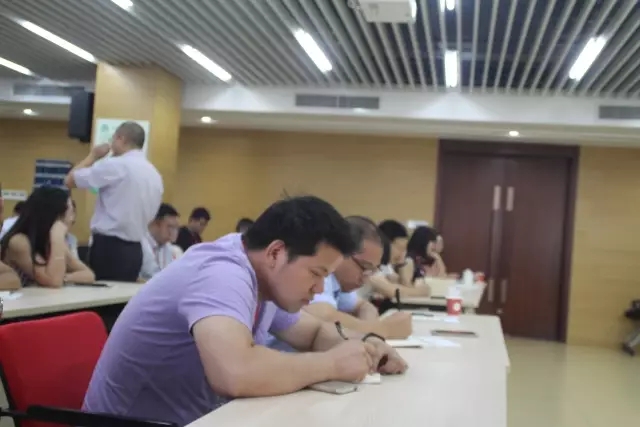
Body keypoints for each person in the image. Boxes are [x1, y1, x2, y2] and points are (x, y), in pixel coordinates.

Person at [83, 196, 407, 427]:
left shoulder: (263, 279)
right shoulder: (222, 273)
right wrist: (332, 363)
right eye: (316, 273)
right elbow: (235, 373)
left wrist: (367, 345)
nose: (319, 288)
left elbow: (313, 333)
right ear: (276, 253)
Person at [64, 122, 163, 282]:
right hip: (136, 250)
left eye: (113, 139)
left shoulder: (116, 165)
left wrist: (93, 156)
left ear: (120, 138)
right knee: (123, 296)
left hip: (109, 248)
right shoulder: (154, 174)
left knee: (103, 295)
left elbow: (69, 180)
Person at [305, 216, 412, 339]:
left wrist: (369, 327)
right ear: (341, 253)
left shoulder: (340, 283)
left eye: (372, 271)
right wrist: (382, 329)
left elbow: (364, 306)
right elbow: (322, 316)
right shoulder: (323, 276)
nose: (365, 278)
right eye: (364, 267)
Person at [0, 187, 95, 287]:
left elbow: (88, 274)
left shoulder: (51, 242)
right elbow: (53, 281)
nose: (72, 219)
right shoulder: (19, 241)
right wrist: (57, 237)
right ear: (56, 216)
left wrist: (65, 278)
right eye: (70, 213)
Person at [139, 203, 180, 280]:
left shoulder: (169, 248)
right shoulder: (139, 244)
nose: (173, 233)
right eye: (170, 227)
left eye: (176, 228)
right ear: (155, 224)